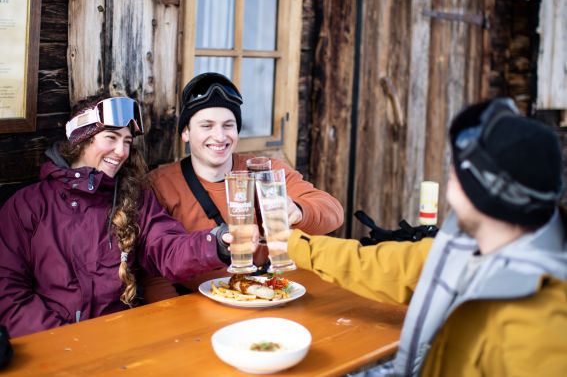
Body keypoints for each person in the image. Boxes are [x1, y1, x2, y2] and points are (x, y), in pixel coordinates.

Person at [285, 98, 567, 376]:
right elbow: (387, 266)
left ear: (480, 188)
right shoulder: (471, 244)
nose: (450, 174)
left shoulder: (540, 323)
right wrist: (293, 244)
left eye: (457, 167)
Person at [0, 95, 241, 337]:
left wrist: (216, 243)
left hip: (120, 339)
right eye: (111, 138)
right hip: (51, 347)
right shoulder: (27, 206)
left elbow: (166, 246)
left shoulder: (136, 197)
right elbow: (8, 293)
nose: (121, 151)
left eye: (127, 141)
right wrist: (62, 341)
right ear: (81, 140)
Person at [143, 72, 344, 300]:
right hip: (200, 305)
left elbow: (333, 212)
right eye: (206, 126)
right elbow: (153, 271)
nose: (219, 136)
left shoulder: (265, 170)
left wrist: (298, 210)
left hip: (272, 294)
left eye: (228, 125)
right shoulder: (160, 185)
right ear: (186, 132)